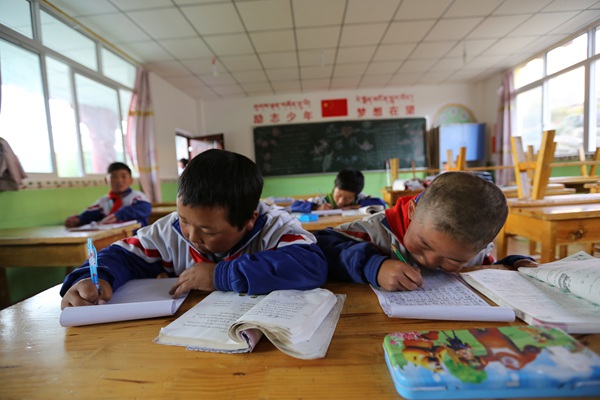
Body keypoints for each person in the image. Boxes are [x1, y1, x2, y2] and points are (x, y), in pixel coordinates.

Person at [60, 149, 328, 309]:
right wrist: (94, 278)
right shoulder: (169, 230)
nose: (190, 236)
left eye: (208, 232)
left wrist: (221, 275)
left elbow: (311, 264)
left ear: (249, 219)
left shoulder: (275, 227)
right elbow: (122, 254)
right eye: (184, 219)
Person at [315, 171, 537, 292]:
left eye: (452, 259)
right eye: (424, 245)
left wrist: (513, 264)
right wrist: (374, 265)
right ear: (412, 211)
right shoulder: (375, 231)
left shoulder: (473, 247)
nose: (430, 261)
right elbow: (320, 246)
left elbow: (487, 270)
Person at [64, 162, 151, 228]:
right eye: (114, 177)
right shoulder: (104, 200)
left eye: (123, 177)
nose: (119, 180)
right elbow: (91, 214)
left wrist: (119, 215)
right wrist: (78, 220)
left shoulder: (137, 196)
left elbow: (145, 208)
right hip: (111, 236)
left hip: (134, 237)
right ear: (106, 180)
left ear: (131, 180)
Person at [290, 168, 387, 213]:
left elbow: (381, 204)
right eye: (338, 195)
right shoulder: (321, 200)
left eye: (348, 198)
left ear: (356, 195)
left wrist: (355, 206)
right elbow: (294, 206)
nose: (341, 201)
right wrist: (317, 208)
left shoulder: (360, 199)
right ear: (334, 188)